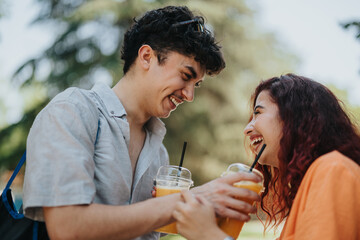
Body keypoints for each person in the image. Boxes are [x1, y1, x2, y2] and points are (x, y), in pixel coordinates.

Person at [22, 5, 262, 240]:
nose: (189, 96)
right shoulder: (73, 110)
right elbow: (67, 228)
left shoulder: (159, 152)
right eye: (186, 76)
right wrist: (193, 198)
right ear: (147, 57)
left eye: (195, 85)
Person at [173, 73, 360, 240]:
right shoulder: (312, 182)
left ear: (293, 116)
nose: (247, 129)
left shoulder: (334, 170)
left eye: (258, 113)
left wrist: (208, 235)